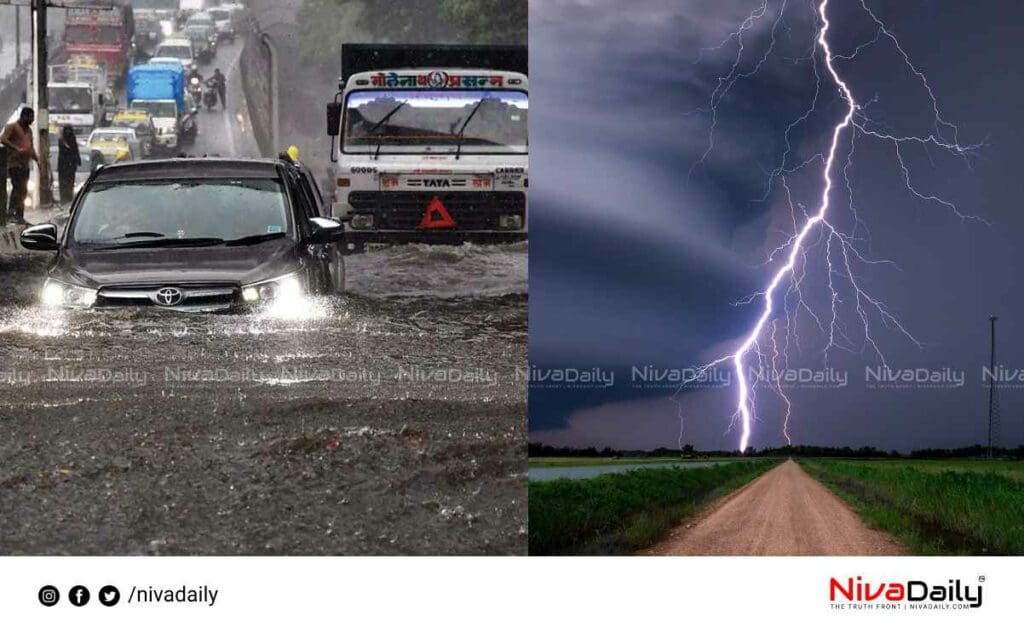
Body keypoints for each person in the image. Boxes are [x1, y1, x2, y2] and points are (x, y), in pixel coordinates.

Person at [0, 106, 39, 225]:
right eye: (30, 117)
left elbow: (30, 147)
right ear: (23, 116)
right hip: (14, 163)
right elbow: (3, 139)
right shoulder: (12, 127)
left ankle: (19, 215)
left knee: (24, 190)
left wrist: (37, 160)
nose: (32, 120)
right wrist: (16, 148)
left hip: (25, 164)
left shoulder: (29, 131)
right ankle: (11, 213)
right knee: (17, 187)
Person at [57, 126, 81, 204]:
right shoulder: (61, 141)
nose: (68, 133)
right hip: (63, 167)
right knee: (63, 185)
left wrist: (77, 161)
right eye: (66, 131)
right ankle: (64, 200)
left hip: (71, 167)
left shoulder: (73, 140)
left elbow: (76, 151)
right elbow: (62, 155)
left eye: (69, 131)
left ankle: (69, 199)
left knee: (70, 184)